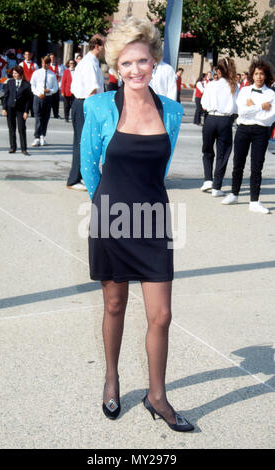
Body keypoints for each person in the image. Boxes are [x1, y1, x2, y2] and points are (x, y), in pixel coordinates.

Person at [80, 16, 194, 433]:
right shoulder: (98, 107)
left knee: (160, 315)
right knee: (114, 304)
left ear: (153, 62)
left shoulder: (173, 111)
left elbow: (160, 167)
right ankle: (111, 378)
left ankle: (156, 395)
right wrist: (104, 206)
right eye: (126, 64)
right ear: (115, 67)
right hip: (111, 217)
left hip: (154, 219)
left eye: (142, 61)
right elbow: (90, 166)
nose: (134, 71)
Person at [222, 60, 275, 214]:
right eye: (256, 73)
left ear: (266, 76)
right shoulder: (244, 91)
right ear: (252, 75)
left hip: (261, 131)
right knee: (238, 162)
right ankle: (234, 193)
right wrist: (260, 107)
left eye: (262, 74)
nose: (259, 76)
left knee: (257, 166)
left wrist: (251, 107)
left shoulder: (271, 94)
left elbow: (270, 117)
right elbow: (241, 111)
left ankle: (254, 201)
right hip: (243, 129)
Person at [67, 35, 104, 191]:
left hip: (83, 104)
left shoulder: (91, 62)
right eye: (104, 45)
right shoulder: (89, 63)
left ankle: (81, 175)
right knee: (83, 142)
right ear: (97, 46)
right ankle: (74, 178)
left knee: (84, 142)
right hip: (85, 104)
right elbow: (92, 90)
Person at [200, 58, 239, 196]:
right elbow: (236, 107)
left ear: (219, 70)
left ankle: (208, 180)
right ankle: (217, 186)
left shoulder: (211, 85)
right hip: (225, 120)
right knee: (223, 154)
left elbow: (203, 104)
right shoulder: (234, 86)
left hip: (210, 118)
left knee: (207, 150)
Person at [1, 65, 32, 155]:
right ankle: (13, 147)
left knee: (21, 128)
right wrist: (4, 108)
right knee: (11, 128)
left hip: (21, 109)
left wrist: (26, 111)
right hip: (10, 108)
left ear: (20, 73)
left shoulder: (27, 85)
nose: (14, 75)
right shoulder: (9, 82)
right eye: (13, 73)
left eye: (16, 73)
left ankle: (24, 148)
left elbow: (28, 100)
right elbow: (5, 96)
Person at [30, 55, 58, 147]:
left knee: (46, 117)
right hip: (38, 97)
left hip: (48, 97)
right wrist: (39, 93)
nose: (45, 65)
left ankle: (42, 136)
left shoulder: (52, 74)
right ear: (41, 63)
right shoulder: (36, 73)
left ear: (49, 64)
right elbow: (32, 86)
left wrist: (50, 91)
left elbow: (56, 87)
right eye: (44, 63)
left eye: (47, 63)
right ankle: (36, 137)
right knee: (38, 117)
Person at [19, 51, 38, 117]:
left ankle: (33, 113)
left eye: (29, 55)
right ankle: (23, 111)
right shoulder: (21, 64)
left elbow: (37, 75)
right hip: (24, 84)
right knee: (24, 98)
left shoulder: (35, 65)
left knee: (32, 99)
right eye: (26, 55)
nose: (27, 56)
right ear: (24, 56)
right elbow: (19, 74)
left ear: (31, 55)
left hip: (32, 84)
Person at [49, 53, 65, 118]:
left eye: (53, 57)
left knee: (56, 101)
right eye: (51, 57)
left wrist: (55, 83)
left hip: (56, 85)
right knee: (48, 100)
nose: (52, 59)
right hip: (49, 85)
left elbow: (60, 76)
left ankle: (56, 114)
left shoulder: (59, 66)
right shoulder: (47, 66)